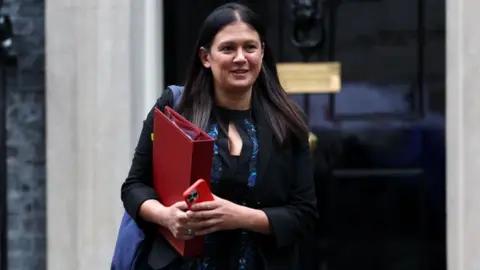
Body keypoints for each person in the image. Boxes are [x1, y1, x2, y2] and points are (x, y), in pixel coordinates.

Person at [121, 3, 318, 270]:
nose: (240, 58)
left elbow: (304, 215)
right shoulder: (174, 108)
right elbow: (134, 186)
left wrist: (239, 217)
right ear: (206, 57)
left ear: (262, 52)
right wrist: (166, 216)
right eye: (228, 48)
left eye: (250, 47)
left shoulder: (287, 121)